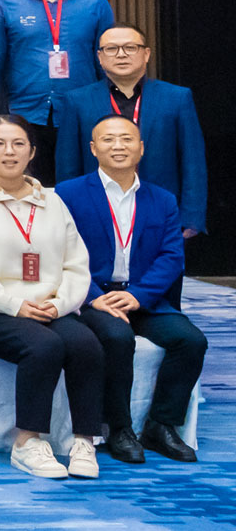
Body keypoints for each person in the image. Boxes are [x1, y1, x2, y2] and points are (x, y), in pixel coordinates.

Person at [0, 113, 104, 479]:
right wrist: (14, 305)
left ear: (32, 151)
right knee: (44, 346)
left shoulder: (52, 201)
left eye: (18, 144)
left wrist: (60, 304)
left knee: (86, 345)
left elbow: (76, 263)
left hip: (48, 307)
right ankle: (27, 442)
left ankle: (84, 441)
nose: (9, 152)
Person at [63, 116, 203, 463]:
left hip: (144, 298)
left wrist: (138, 295)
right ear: (93, 148)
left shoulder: (162, 199)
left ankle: (161, 425)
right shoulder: (69, 194)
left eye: (127, 139)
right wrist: (94, 296)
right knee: (117, 337)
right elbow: (61, 253)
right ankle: (119, 428)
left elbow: (172, 256)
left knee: (191, 341)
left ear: (141, 148)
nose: (118, 146)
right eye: (108, 139)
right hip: (93, 298)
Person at [53, 25, 208, 237]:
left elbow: (193, 162)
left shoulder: (177, 98)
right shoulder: (77, 100)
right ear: (99, 57)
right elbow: (67, 165)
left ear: (146, 54)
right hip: (95, 214)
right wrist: (69, 213)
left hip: (161, 214)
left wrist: (191, 218)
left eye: (130, 47)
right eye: (111, 49)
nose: (121, 54)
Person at [0, 0, 114, 177]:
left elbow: (106, 65)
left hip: (83, 116)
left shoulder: (95, 3)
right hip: (23, 116)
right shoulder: (2, 4)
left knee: (77, 189)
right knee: (29, 191)